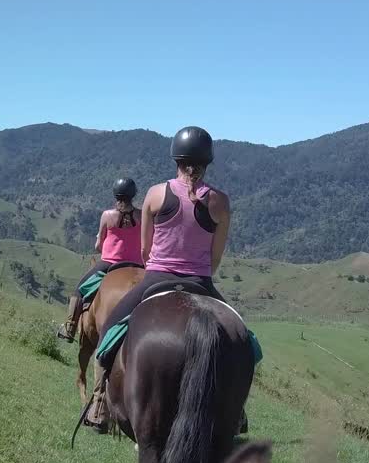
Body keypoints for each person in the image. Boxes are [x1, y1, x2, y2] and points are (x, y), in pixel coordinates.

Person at [88, 126, 251, 432]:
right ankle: (238, 409)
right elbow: (216, 257)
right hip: (201, 281)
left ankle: (99, 401)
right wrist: (200, 273)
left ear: (176, 157)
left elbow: (145, 249)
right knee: (247, 343)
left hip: (156, 277)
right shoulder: (221, 201)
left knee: (109, 332)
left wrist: (158, 265)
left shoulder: (155, 194)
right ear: (207, 161)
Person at [56, 177, 143, 342]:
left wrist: (108, 249)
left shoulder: (107, 216)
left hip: (109, 263)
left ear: (115, 194)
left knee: (80, 289)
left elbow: (98, 245)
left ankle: (69, 328)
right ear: (134, 195)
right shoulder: (141, 216)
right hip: (137, 265)